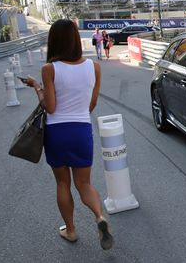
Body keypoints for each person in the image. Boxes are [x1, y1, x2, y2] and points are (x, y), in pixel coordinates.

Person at [23, 19, 113, 250]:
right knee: (84, 183)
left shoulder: (49, 69)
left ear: (54, 41)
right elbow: (91, 104)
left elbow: (50, 107)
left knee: (63, 183)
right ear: (75, 39)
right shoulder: (94, 67)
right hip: (81, 129)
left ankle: (71, 231)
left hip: (57, 132)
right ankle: (99, 216)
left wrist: (36, 86)